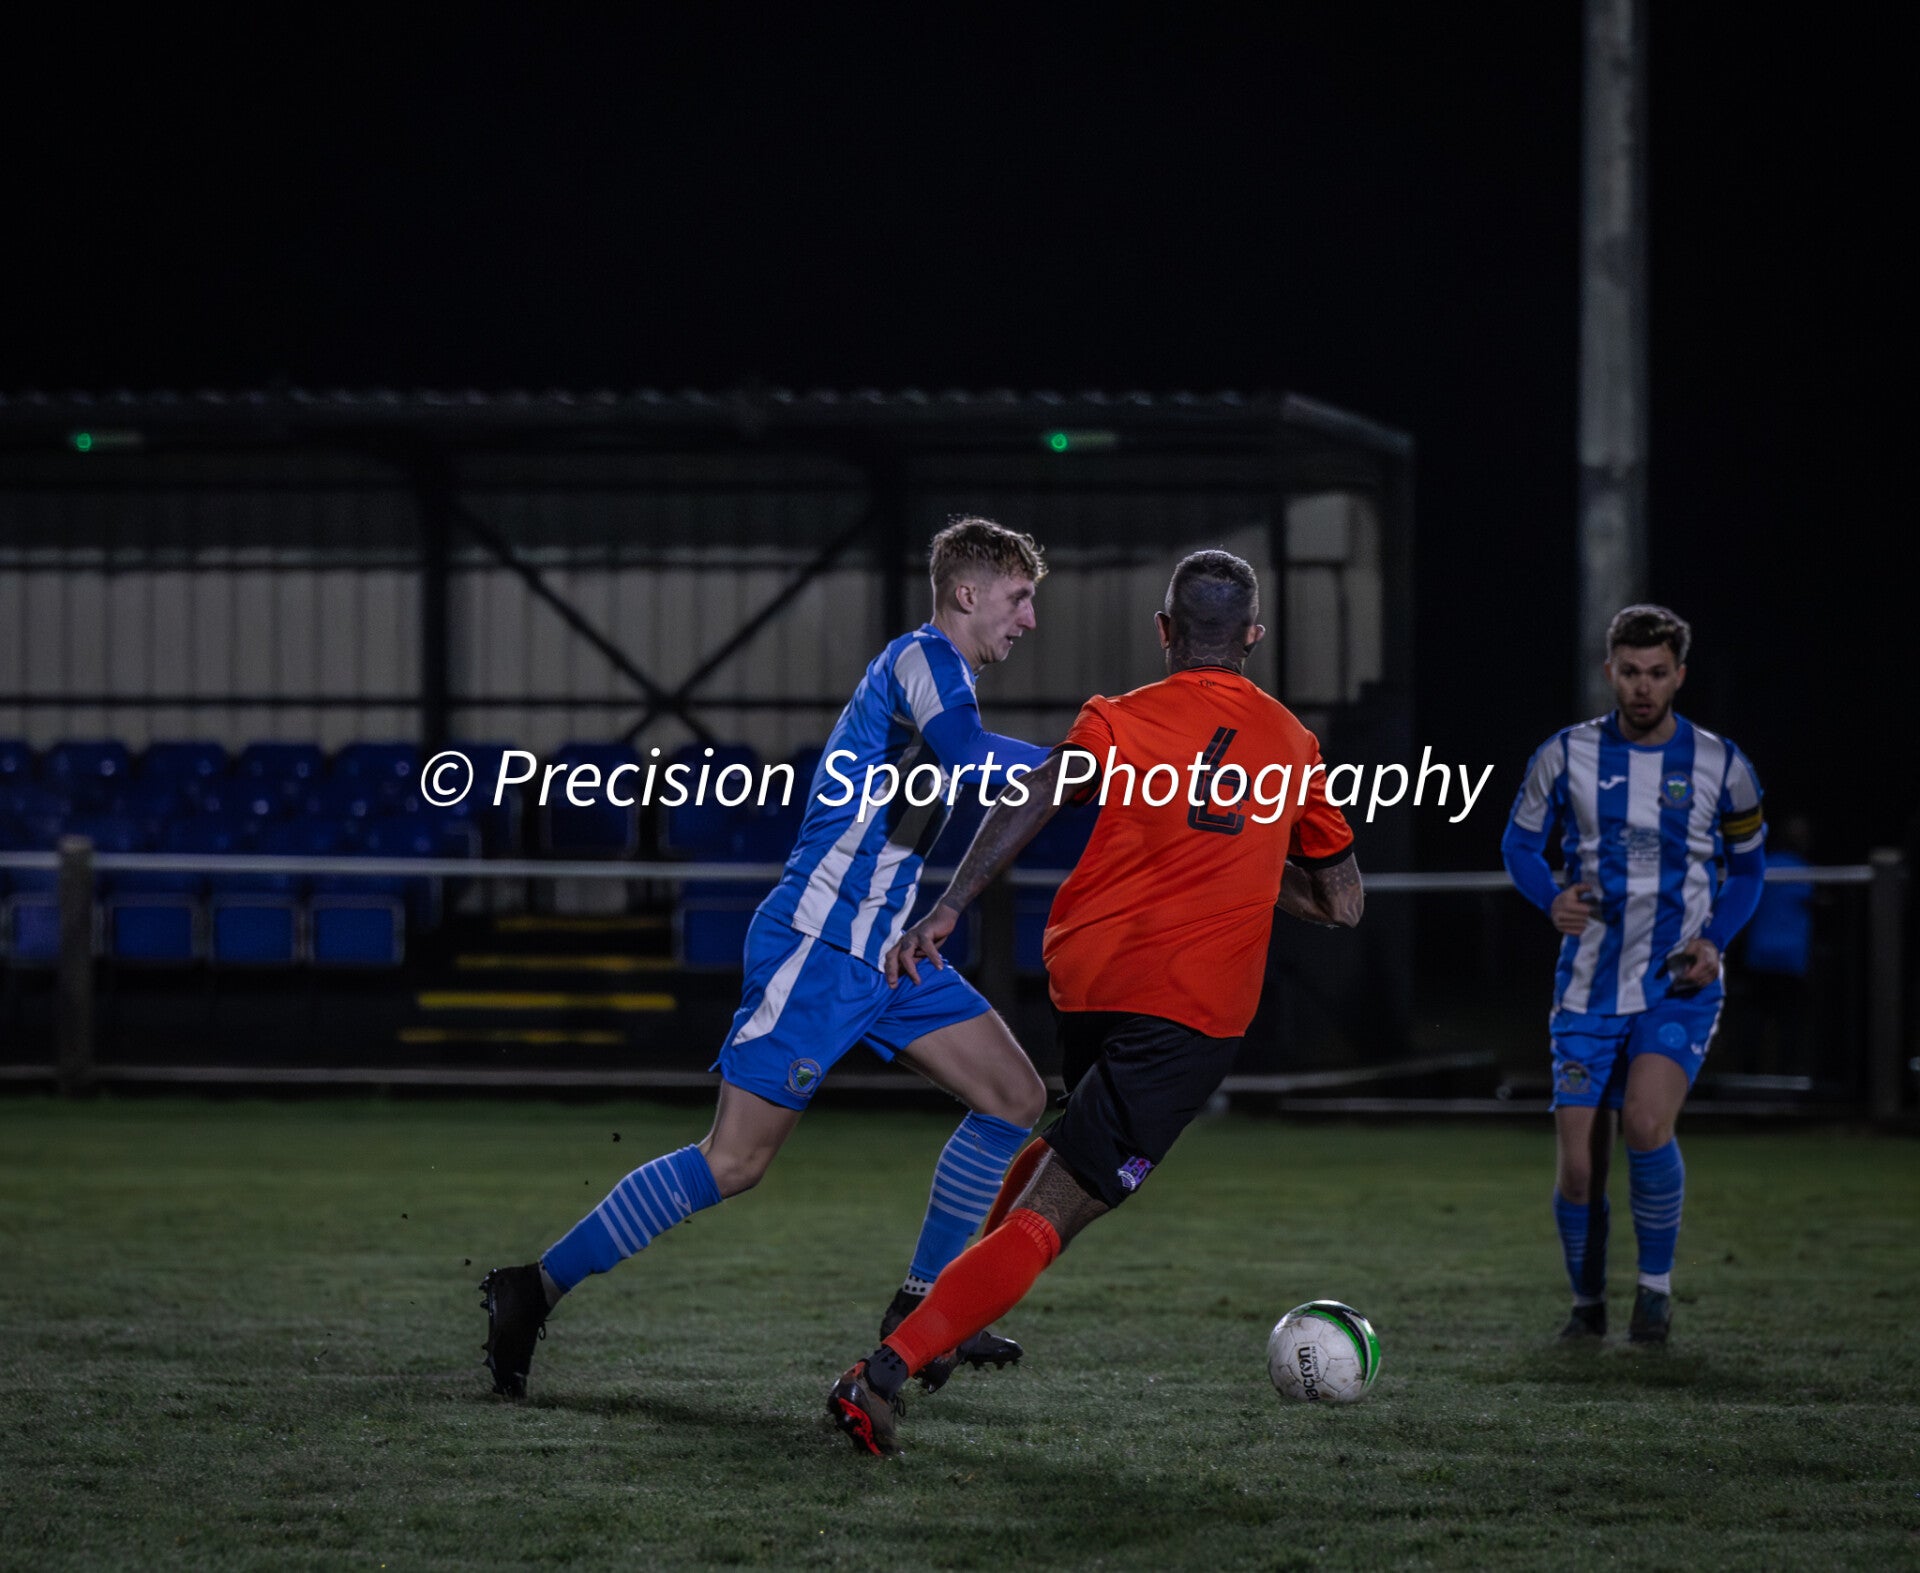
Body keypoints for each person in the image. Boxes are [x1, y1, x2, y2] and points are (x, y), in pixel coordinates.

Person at [479, 518, 1054, 1397]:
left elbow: (951, 779)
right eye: (1020, 599)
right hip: (818, 948)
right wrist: (1097, 759)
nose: (1030, 620)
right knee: (735, 1161)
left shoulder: (948, 683)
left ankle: (924, 1307)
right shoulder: (922, 660)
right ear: (967, 593)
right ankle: (533, 1288)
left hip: (887, 953)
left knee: (1015, 1096)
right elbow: (974, 762)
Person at [824, 549, 1362, 1456]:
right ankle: (883, 1369)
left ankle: (946, 1320)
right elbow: (1343, 901)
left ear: (1165, 633)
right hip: (1187, 1014)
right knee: (1056, 1209)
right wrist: (1258, 869)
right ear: (1254, 639)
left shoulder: (1117, 718)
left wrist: (950, 905)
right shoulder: (1295, 747)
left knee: (1057, 1150)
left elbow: (1035, 795)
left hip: (1092, 983)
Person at [1500, 604, 1766, 1345]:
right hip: (1586, 984)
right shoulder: (1564, 755)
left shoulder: (1721, 763)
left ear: (1679, 674)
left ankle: (1654, 1295)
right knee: (1580, 1171)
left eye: (1657, 673)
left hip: (1677, 976)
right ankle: (1588, 1306)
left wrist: (1713, 938)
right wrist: (1548, 894)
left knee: (1648, 1123)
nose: (1643, 687)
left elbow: (1748, 868)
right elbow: (1519, 844)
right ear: (1609, 670)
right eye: (1630, 671)